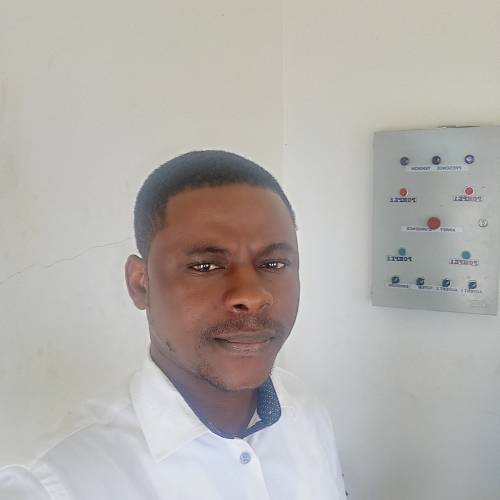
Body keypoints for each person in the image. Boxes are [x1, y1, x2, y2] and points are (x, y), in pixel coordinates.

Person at [0, 150, 346, 499]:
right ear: (140, 284)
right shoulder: (49, 485)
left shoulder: (305, 412)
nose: (251, 296)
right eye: (205, 266)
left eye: (273, 264)